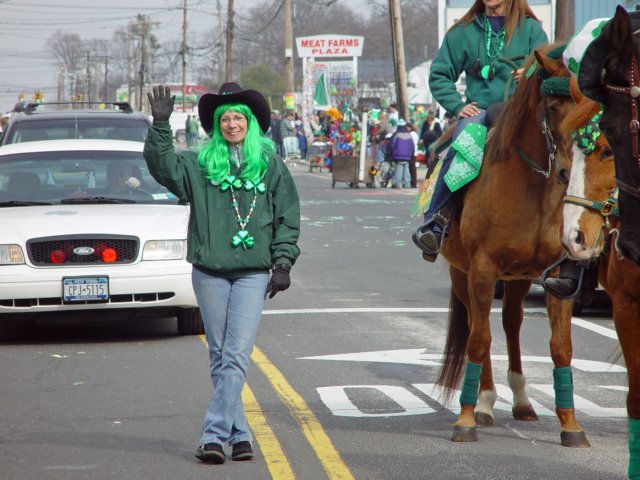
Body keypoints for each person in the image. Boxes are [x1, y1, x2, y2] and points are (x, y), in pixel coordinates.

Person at [144, 83, 301, 465]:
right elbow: (161, 166)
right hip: (209, 272)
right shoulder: (198, 164)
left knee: (236, 353)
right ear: (216, 126)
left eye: (238, 118)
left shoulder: (270, 164)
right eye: (225, 119)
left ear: (250, 123)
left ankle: (213, 435)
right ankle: (241, 434)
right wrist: (160, 123)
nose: (232, 124)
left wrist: (282, 263)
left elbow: (287, 217)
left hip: (251, 274)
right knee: (219, 354)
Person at [412, 0, 548, 261]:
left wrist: (531, 72)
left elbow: (548, 65)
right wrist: (458, 106)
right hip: (481, 111)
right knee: (465, 142)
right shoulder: (462, 31)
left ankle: (565, 228)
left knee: (558, 146)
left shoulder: (531, 29)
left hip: (521, 109)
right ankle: (436, 222)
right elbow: (439, 74)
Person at [389, 119, 414, 188]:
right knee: (406, 170)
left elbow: (392, 145)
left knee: (398, 170)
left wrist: (391, 154)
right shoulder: (409, 135)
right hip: (407, 156)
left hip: (398, 155)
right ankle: (407, 184)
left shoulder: (397, 135)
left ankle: (398, 183)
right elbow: (413, 146)